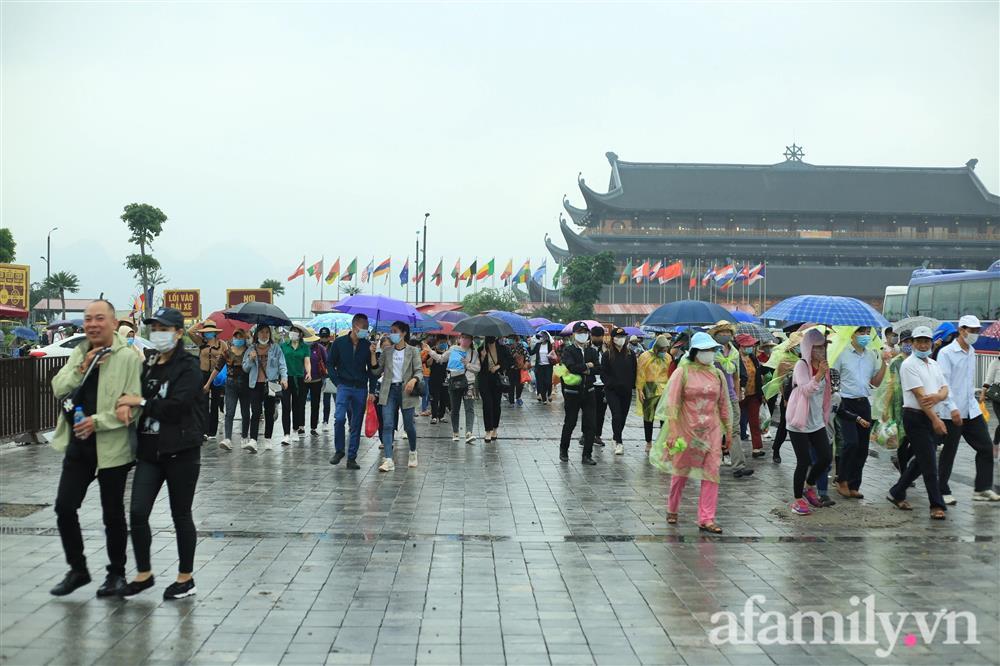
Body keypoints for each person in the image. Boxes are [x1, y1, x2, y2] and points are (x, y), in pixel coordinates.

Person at [48, 300, 143, 597]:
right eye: (88, 319)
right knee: (64, 506)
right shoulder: (80, 351)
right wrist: (82, 366)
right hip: (78, 445)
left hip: (112, 448)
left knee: (112, 513)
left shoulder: (128, 357)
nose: (92, 324)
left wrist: (97, 422)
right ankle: (78, 569)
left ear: (113, 323)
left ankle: (116, 574)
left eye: (99, 318)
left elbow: (133, 406)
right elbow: (58, 386)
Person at [114, 307, 204, 599]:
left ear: (178, 333)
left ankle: (185, 577)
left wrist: (139, 401)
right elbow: (134, 391)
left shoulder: (188, 366)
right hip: (150, 451)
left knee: (181, 515)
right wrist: (128, 403)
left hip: (181, 451)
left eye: (165, 329)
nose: (158, 334)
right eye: (155, 328)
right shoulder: (150, 362)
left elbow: (177, 407)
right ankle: (144, 574)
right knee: (138, 511)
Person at [655, 332, 732, 534]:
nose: (709, 354)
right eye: (705, 350)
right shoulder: (683, 372)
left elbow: (724, 403)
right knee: (681, 471)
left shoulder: (717, 374)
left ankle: (706, 518)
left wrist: (729, 430)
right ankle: (672, 507)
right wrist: (672, 432)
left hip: (712, 430)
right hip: (686, 429)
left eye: (711, 350)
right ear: (695, 351)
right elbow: (672, 403)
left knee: (712, 472)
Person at [886, 326, 949, 519]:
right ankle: (936, 505)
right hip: (916, 417)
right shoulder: (909, 365)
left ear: (931, 343)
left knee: (921, 461)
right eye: (919, 341)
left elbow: (945, 389)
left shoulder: (933, 364)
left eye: (926, 341)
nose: (923, 345)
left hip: (931, 415)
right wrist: (936, 419)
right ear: (912, 343)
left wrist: (938, 397)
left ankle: (897, 491)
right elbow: (921, 397)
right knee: (929, 462)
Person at [936, 315, 1000, 503]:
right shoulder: (946, 353)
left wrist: (978, 396)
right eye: (971, 330)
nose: (974, 334)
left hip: (971, 410)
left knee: (986, 447)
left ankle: (981, 489)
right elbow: (944, 383)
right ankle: (942, 490)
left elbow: (966, 382)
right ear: (961, 330)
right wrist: (953, 408)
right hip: (951, 412)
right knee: (949, 452)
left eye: (976, 331)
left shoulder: (971, 351)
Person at [830, 326, 886, 499]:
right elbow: (833, 377)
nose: (865, 336)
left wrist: (884, 362)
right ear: (852, 335)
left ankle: (854, 484)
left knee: (862, 447)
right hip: (846, 403)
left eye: (868, 333)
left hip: (863, 403)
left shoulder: (871, 355)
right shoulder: (842, 353)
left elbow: (875, 382)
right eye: (861, 333)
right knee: (851, 442)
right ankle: (842, 480)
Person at [785, 327, 834, 515]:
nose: (821, 352)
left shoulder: (825, 366)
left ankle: (809, 485)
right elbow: (806, 390)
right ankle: (797, 500)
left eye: (823, 348)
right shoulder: (802, 366)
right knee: (803, 460)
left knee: (825, 457)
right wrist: (819, 374)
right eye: (817, 348)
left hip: (816, 420)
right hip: (799, 421)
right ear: (808, 349)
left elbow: (826, 394)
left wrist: (825, 415)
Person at [327, 313, 377, 470]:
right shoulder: (339, 343)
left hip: (361, 388)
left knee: (356, 423)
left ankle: (352, 457)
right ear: (354, 326)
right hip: (344, 386)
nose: (365, 330)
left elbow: (372, 371)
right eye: (363, 327)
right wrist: (337, 382)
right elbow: (330, 364)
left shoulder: (367, 345)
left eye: (367, 328)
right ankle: (339, 450)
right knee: (339, 418)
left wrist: (372, 389)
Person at [373, 321, 423, 471]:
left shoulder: (413, 351)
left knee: (409, 425)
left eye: (394, 331)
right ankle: (388, 459)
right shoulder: (387, 351)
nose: (391, 334)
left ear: (403, 333)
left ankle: (413, 451)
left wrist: (414, 380)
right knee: (387, 424)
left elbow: (419, 371)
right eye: (391, 330)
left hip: (406, 391)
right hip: (388, 391)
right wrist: (372, 354)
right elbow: (376, 371)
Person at [709, 321, 752, 478]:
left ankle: (738, 466)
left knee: (734, 430)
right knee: (713, 430)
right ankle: (708, 463)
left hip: (731, 397)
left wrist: (737, 391)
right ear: (715, 334)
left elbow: (735, 375)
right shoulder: (711, 351)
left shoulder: (734, 352)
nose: (726, 334)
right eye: (722, 332)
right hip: (714, 396)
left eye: (728, 332)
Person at [559, 321, 600, 465]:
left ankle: (586, 455)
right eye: (580, 332)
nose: (582, 335)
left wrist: (586, 369)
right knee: (570, 422)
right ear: (574, 335)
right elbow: (571, 367)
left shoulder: (592, 351)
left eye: (585, 332)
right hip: (572, 393)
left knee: (590, 424)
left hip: (589, 391)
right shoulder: (568, 350)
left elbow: (598, 368)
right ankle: (564, 450)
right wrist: (587, 366)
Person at [242, 324, 288, 453]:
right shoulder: (251, 349)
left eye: (267, 332)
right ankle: (253, 440)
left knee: (269, 412)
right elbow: (245, 368)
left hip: (271, 384)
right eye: (262, 332)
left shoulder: (276, 349)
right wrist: (251, 359)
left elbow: (282, 365)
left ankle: (268, 439)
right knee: (255, 412)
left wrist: (284, 378)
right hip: (255, 384)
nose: (264, 335)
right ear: (257, 334)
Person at [427, 334, 480, 443]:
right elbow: (441, 359)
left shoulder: (474, 353)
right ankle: (455, 432)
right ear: (459, 339)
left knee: (469, 408)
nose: (465, 340)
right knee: (455, 408)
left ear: (471, 341)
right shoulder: (453, 349)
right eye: (463, 338)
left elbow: (478, 368)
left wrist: (467, 364)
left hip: (469, 383)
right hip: (454, 382)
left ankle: (469, 432)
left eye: (468, 338)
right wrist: (430, 351)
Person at [208, 328, 251, 451]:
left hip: (245, 385)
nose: (238, 339)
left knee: (245, 412)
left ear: (244, 338)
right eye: (236, 337)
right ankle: (227, 438)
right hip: (230, 384)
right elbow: (217, 368)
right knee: (229, 412)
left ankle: (244, 437)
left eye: (240, 337)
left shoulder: (249, 351)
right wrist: (208, 384)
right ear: (233, 338)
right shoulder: (226, 352)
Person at [188, 319, 228, 442]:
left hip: (217, 375)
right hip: (203, 374)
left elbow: (229, 358)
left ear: (215, 332)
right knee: (203, 403)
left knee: (215, 403)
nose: (208, 333)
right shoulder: (201, 342)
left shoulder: (222, 344)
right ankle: (203, 430)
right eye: (206, 332)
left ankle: (212, 431)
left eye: (210, 331)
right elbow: (190, 332)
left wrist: (221, 358)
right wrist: (201, 323)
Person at [602, 326, 637, 455]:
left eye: (623, 337)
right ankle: (619, 442)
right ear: (612, 339)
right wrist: (610, 384)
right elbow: (603, 373)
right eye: (618, 337)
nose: (620, 339)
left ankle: (616, 436)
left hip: (626, 390)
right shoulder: (607, 355)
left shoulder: (630, 354)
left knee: (623, 416)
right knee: (616, 415)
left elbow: (634, 371)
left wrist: (632, 385)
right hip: (612, 391)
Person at [635, 335, 672, 452]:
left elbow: (670, 373)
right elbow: (640, 373)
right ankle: (648, 442)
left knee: (664, 417)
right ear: (656, 348)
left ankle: (662, 441)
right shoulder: (645, 356)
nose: (664, 352)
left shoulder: (667, 357)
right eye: (662, 350)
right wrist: (640, 389)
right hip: (649, 388)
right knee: (648, 417)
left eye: (666, 350)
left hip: (664, 388)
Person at [278, 324, 312, 445]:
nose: (293, 333)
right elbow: (279, 361)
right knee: (286, 406)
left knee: (297, 406)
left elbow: (307, 361)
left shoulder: (304, 347)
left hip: (299, 380)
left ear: (301, 334)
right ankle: (286, 434)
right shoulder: (283, 346)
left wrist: (308, 372)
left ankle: (295, 430)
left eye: (296, 331)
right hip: (286, 379)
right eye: (292, 331)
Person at [736, 334, 766, 458]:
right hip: (739, 395)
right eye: (748, 345)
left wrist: (762, 394)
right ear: (741, 346)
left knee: (754, 421)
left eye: (751, 345)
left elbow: (759, 376)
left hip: (753, 394)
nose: (750, 347)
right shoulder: (734, 359)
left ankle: (757, 448)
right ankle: (732, 449)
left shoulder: (753, 358)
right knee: (736, 423)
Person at [478, 335, 513, 442]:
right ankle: (488, 430)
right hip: (484, 380)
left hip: (497, 380)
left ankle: (495, 429)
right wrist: (482, 357)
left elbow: (510, 361)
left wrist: (498, 366)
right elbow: (477, 366)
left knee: (496, 404)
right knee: (487, 404)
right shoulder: (481, 349)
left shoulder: (503, 348)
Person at [309, 328, 334, 432]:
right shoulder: (316, 346)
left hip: (329, 376)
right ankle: (323, 421)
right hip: (318, 376)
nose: (324, 339)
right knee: (321, 400)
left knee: (330, 399)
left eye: (326, 336)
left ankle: (326, 420)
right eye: (322, 336)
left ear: (329, 337)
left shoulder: (333, 346)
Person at [589, 326, 609, 447]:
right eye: (594, 336)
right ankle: (586, 435)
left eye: (599, 337)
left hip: (603, 384)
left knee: (601, 412)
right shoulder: (586, 347)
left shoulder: (607, 348)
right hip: (590, 383)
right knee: (588, 411)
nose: (597, 338)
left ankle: (597, 435)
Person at [427, 336, 450, 424]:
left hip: (445, 379)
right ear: (437, 342)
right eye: (441, 342)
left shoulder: (448, 352)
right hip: (434, 379)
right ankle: (434, 416)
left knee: (444, 398)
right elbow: (427, 364)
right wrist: (433, 356)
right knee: (434, 398)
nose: (443, 344)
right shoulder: (431, 351)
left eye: (444, 342)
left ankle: (442, 415)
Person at [530, 331, 555, 404]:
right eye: (540, 337)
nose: (541, 338)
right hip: (539, 366)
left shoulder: (550, 345)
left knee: (548, 382)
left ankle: (549, 393)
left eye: (542, 336)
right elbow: (532, 352)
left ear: (546, 337)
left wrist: (551, 354)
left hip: (548, 366)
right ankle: (544, 399)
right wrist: (529, 345)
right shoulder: (538, 345)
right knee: (541, 382)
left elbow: (554, 353)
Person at [984, 354, 1000, 448]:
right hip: (998, 397)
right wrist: (982, 393)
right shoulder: (995, 363)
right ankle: (996, 443)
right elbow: (988, 379)